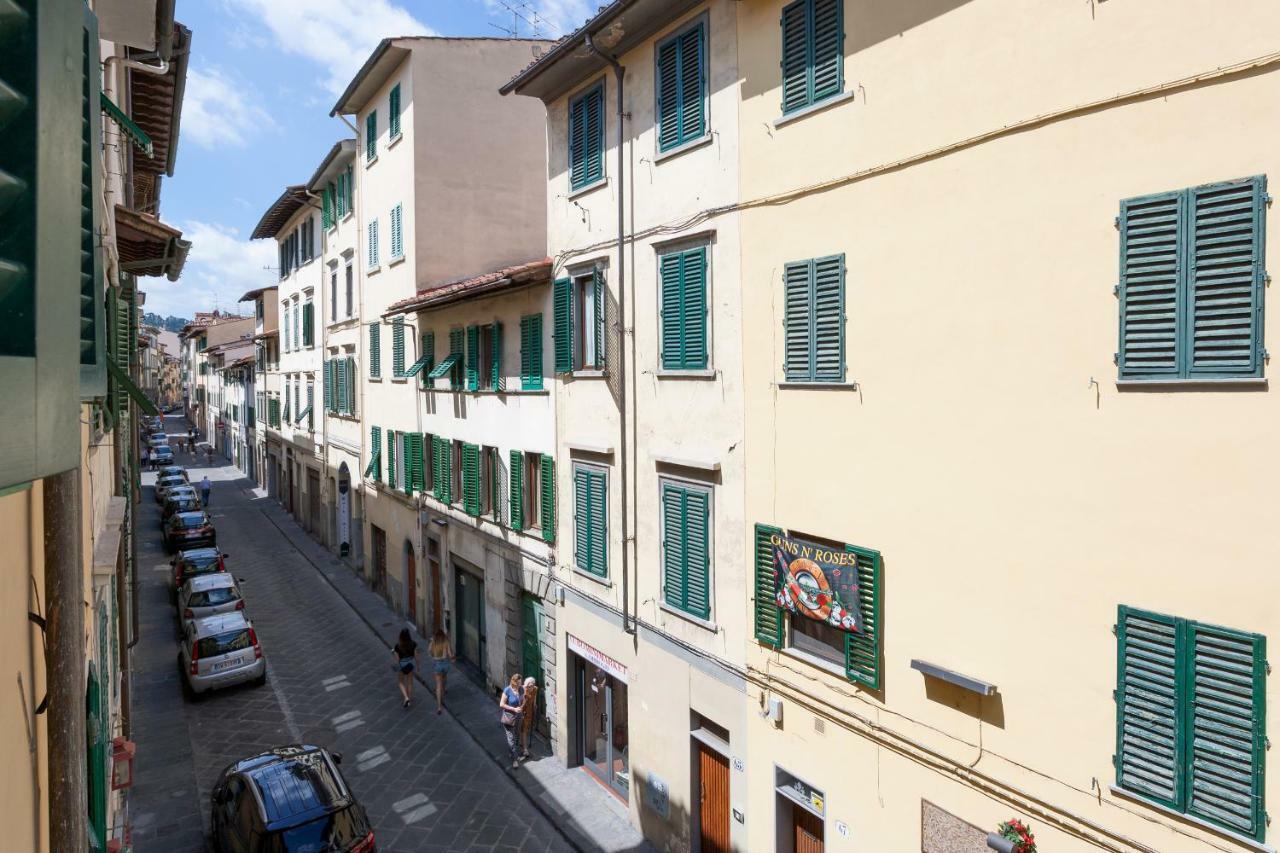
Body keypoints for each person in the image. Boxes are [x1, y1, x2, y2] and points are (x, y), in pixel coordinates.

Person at [428, 630, 456, 715]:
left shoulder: (434, 642)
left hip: (438, 665)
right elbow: (450, 655)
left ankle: (439, 707)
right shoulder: (446, 642)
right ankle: (444, 689)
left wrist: (432, 642)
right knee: (444, 677)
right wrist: (452, 657)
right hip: (445, 665)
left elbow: (429, 652)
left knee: (438, 686)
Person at [499, 674, 523, 769]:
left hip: (518, 717)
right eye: (519, 682)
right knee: (511, 738)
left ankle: (512, 752)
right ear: (514, 682)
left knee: (517, 736)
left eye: (521, 682)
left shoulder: (521, 689)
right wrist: (514, 709)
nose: (520, 684)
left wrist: (522, 707)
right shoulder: (507, 690)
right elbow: (501, 704)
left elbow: (523, 699)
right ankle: (514, 759)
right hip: (509, 717)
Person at [391, 628, 419, 708]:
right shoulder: (413, 644)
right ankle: (409, 699)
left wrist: (393, 652)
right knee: (410, 683)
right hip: (410, 665)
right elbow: (416, 657)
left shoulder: (398, 646)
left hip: (402, 666)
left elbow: (397, 659)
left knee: (400, 682)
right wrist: (418, 666)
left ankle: (406, 697)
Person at [518, 676, 539, 761]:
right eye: (528, 686)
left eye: (531, 686)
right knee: (523, 730)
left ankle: (521, 743)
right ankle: (525, 749)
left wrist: (535, 705)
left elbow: (534, 700)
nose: (530, 688)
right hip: (522, 712)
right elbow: (518, 702)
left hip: (529, 712)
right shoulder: (522, 689)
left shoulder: (535, 689)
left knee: (525, 729)